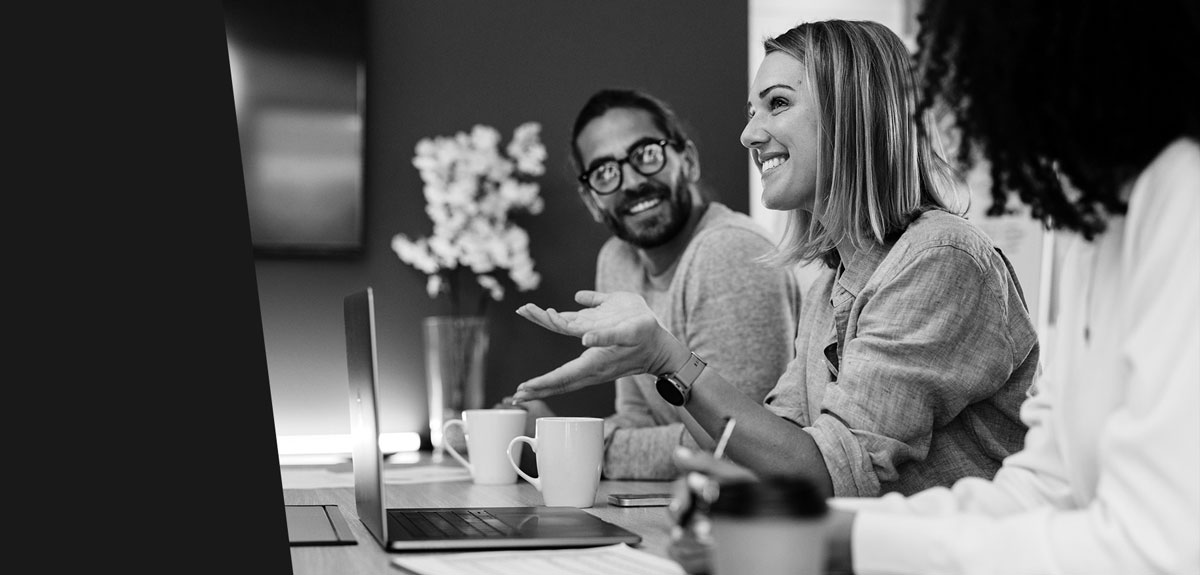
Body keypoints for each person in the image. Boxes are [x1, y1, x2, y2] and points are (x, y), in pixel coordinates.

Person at [677, 2, 1200, 573]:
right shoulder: (1095, 233)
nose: (961, 92)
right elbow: (1042, 489)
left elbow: (1155, 548)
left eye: (777, 104)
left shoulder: (1180, 197)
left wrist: (829, 540)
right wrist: (813, 530)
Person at [511, 20, 1039, 500]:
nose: (748, 134)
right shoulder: (830, 284)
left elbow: (827, 473)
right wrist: (654, 363)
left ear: (850, 111)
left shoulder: (938, 258)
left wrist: (666, 359)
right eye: (751, 111)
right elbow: (764, 452)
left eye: (778, 103)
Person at [467, 88, 802, 480]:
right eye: (606, 172)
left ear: (688, 161)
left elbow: (735, 449)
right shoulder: (617, 259)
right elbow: (637, 420)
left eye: (645, 154)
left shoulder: (730, 251)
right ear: (592, 200)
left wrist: (569, 445)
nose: (630, 182)